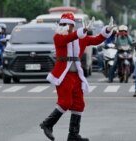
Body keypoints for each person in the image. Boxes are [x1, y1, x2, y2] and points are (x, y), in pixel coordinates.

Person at [39, 13, 113, 141]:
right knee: (65, 102)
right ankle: (47, 124)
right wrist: (82, 31)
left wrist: (107, 30)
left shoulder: (80, 38)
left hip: (76, 76)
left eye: (69, 25)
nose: (66, 27)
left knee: (79, 104)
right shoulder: (58, 37)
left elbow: (96, 40)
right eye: (63, 24)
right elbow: (69, 38)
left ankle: (73, 134)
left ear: (73, 26)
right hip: (63, 76)